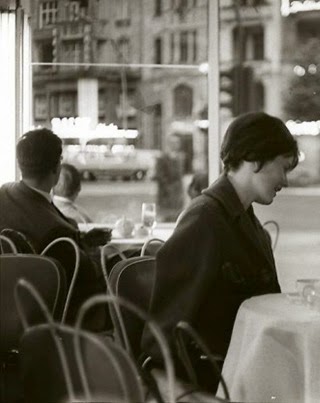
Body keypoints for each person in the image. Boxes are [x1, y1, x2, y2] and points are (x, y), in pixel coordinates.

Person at [142, 112, 299, 394]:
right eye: (283, 168)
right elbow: (165, 333)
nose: (285, 181)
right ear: (255, 158)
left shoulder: (239, 215)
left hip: (244, 364)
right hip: (219, 378)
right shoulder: (205, 220)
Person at [0, 128, 110, 323]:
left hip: (10, 305)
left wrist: (81, 240)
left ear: (20, 164)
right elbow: (85, 285)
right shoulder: (59, 232)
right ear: (57, 168)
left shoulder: (5, 193)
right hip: (56, 318)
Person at [153, 134, 185, 222]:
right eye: (173, 142)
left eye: (178, 142)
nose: (176, 145)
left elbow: (180, 176)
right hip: (166, 196)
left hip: (177, 197)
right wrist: (168, 188)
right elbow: (159, 176)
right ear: (169, 144)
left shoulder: (180, 157)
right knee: (166, 219)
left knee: (178, 219)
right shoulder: (162, 158)